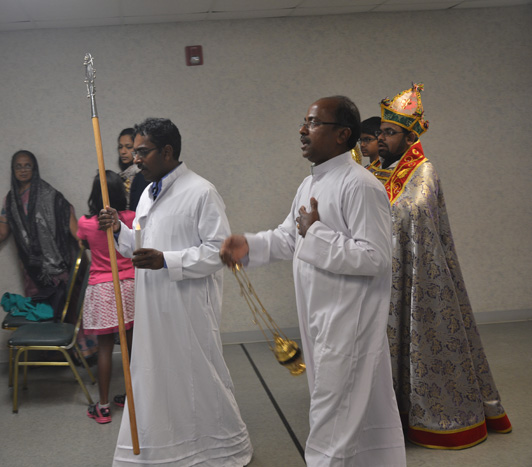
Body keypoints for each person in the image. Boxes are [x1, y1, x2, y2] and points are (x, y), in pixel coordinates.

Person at [221, 96, 406, 466]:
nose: (302, 130)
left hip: (348, 324)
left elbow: (375, 258)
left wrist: (318, 233)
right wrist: (250, 245)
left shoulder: (361, 186)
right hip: (321, 318)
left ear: (342, 134)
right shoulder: (310, 185)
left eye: (313, 123)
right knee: (354, 414)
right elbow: (291, 238)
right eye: (305, 122)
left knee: (331, 423)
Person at [99, 118, 252, 466]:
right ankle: (164, 447)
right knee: (156, 375)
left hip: (188, 306)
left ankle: (218, 449)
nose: (135, 159)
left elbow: (219, 251)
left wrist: (167, 261)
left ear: (167, 152)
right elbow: (139, 247)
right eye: (134, 151)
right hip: (153, 305)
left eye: (142, 151)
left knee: (196, 375)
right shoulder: (146, 193)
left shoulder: (201, 191)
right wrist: (119, 231)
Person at [367, 84, 511, 448]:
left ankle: (438, 417)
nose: (381, 138)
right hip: (381, 274)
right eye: (380, 131)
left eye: (389, 132)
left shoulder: (423, 169)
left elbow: (414, 211)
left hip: (420, 277)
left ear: (409, 135)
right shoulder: (378, 171)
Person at [0, 150, 81, 319]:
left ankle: (69, 345)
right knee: (39, 313)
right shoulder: (11, 201)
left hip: (58, 267)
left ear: (34, 168)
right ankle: (41, 345)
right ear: (13, 170)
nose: (23, 170)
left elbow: (69, 220)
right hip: (31, 269)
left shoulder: (50, 195)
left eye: (27, 166)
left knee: (65, 311)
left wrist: (85, 241)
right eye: (18, 166)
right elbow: (1, 231)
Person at [78, 171, 135, 424]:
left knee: (104, 350)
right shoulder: (130, 218)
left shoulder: (85, 223)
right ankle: (135, 400)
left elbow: (85, 244)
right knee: (133, 348)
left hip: (102, 289)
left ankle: (102, 407)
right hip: (130, 286)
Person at [116, 128, 146, 212]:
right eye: (120, 147)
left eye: (128, 147)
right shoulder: (122, 175)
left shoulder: (142, 174)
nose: (123, 151)